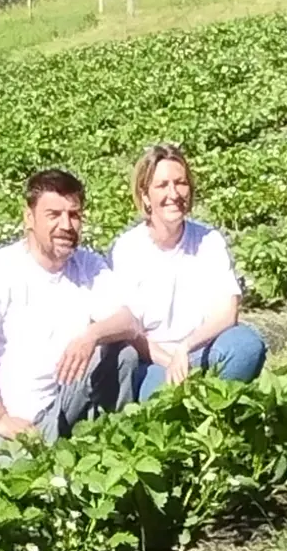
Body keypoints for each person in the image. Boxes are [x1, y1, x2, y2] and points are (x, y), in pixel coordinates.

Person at [0, 168, 140, 455]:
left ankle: (116, 446)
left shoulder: (86, 265)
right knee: (42, 491)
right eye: (54, 215)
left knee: (123, 353)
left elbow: (129, 322)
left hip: (60, 405)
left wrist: (91, 335)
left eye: (74, 215)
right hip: (12, 425)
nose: (66, 225)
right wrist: (0, 418)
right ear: (29, 218)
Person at [108, 145, 267, 401]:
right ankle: (207, 406)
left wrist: (185, 349)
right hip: (153, 361)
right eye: (162, 186)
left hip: (202, 349)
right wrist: (170, 360)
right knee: (165, 397)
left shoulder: (208, 240)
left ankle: (214, 406)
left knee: (246, 346)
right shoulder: (128, 249)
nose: (173, 193)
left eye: (180, 183)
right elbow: (130, 331)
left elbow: (227, 312)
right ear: (145, 196)